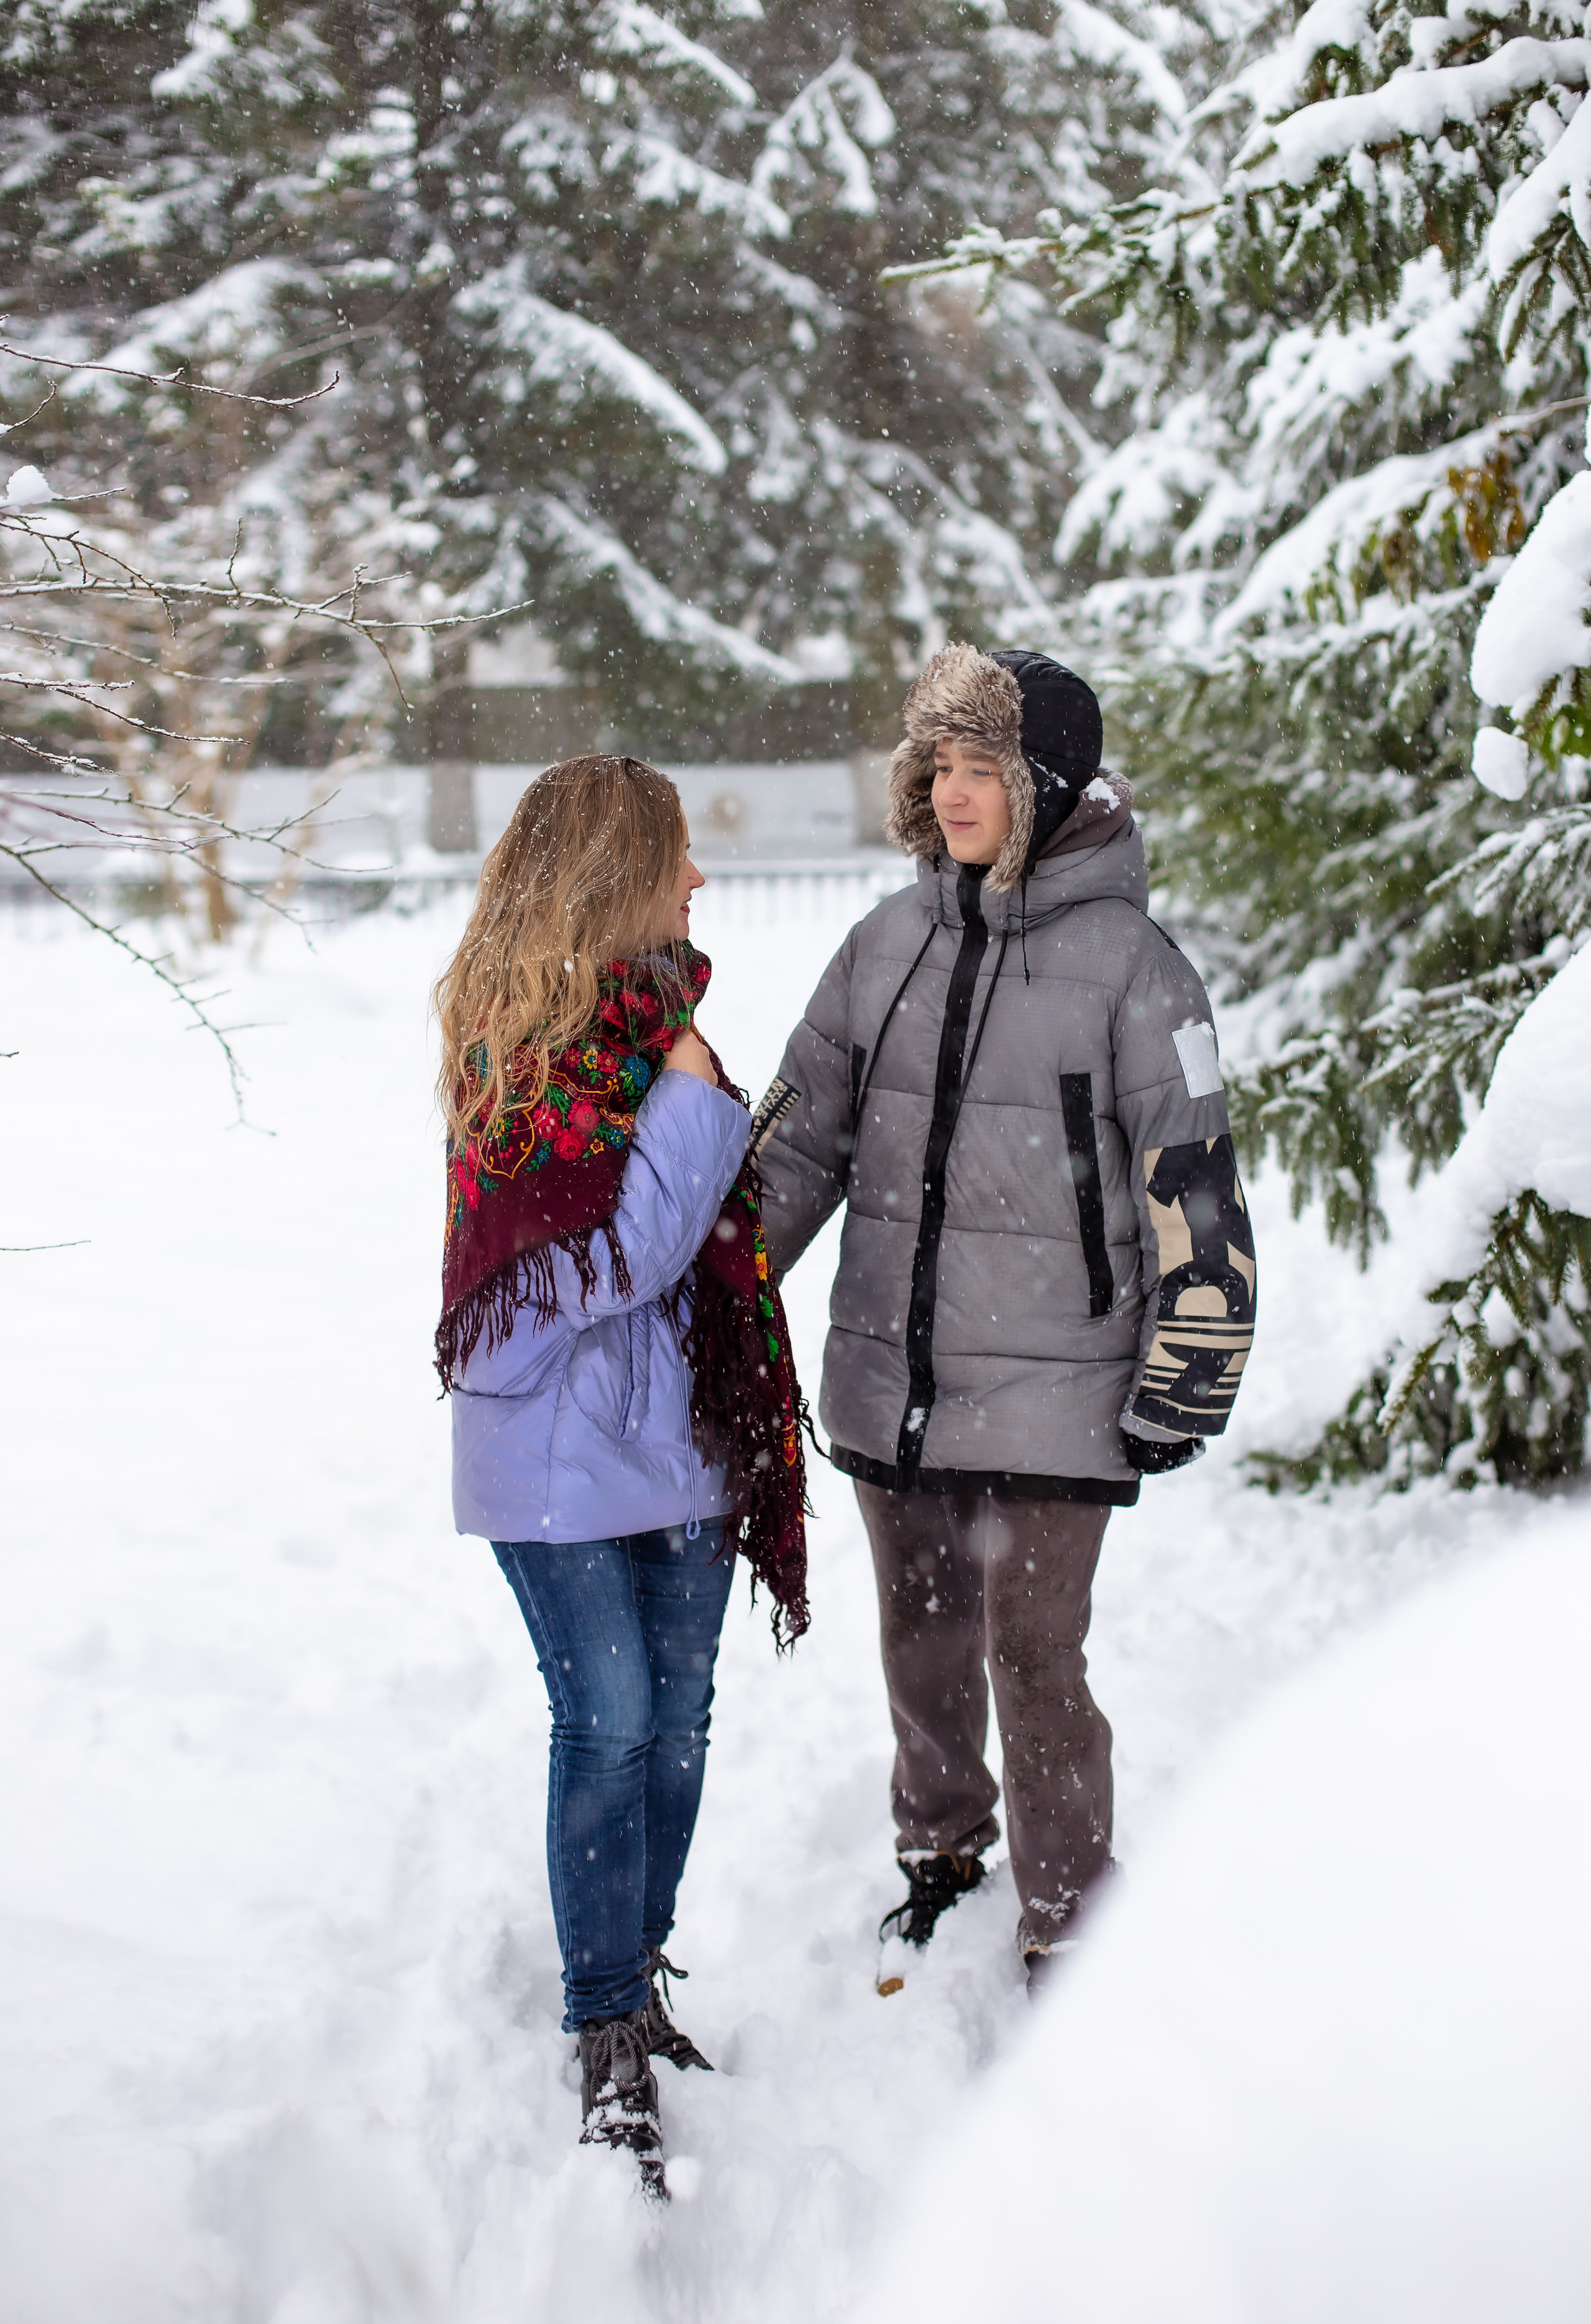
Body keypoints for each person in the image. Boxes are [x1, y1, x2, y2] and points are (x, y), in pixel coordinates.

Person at [755, 644, 1255, 1990]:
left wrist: (1187, 1369)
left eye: (982, 767)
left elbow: (1193, 1184)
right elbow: (794, 1145)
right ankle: (939, 1845)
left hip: (1059, 1387)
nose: (952, 792)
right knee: (921, 1639)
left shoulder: (1134, 968)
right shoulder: (882, 945)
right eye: (938, 765)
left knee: (1033, 1655)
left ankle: (1070, 1915)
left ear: (1044, 784)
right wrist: (710, 1288)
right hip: (896, 1373)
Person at [432, 754, 809, 2195]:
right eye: (676, 856)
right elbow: (627, 1257)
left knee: (679, 1723)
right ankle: (601, 2024)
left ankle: (638, 1978)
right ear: (613, 871)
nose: (698, 878)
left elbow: (669, 1253)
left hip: (685, 1441)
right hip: (553, 1454)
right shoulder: (514, 1047)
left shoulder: (660, 1026)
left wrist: (691, 1100)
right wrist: (698, 1105)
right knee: (609, 1723)